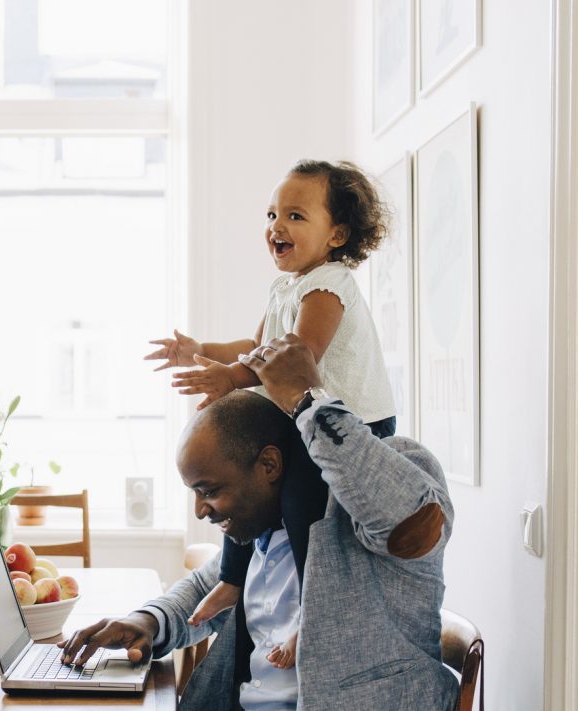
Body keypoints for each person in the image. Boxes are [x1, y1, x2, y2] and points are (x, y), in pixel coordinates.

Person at [49, 334, 457, 711]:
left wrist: (307, 399)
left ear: (268, 466)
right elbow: (205, 586)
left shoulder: (381, 481)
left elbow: (415, 522)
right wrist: (148, 621)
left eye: (209, 490)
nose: (202, 511)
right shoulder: (263, 529)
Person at [146, 159, 399, 666]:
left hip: (349, 423)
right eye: (271, 214)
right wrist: (203, 350)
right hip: (300, 414)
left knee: (302, 504)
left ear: (338, 234)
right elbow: (257, 345)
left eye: (295, 216)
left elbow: (296, 358)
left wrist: (233, 378)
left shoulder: (330, 285)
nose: (276, 227)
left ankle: (313, 614)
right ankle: (232, 581)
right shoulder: (284, 287)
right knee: (251, 488)